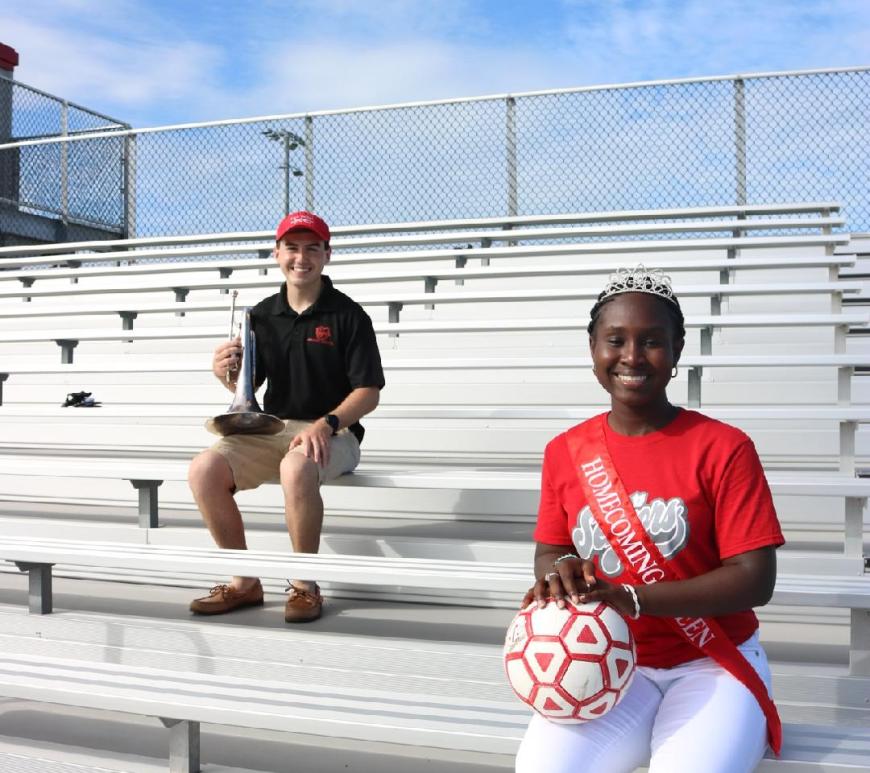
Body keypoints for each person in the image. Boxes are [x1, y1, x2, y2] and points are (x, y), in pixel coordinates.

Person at [515, 265, 784, 773]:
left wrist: (634, 598)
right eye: (616, 340)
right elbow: (550, 549)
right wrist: (561, 572)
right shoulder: (565, 451)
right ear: (593, 348)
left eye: (653, 341)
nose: (632, 357)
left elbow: (755, 579)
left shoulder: (724, 447)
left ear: (677, 349)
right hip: (609, 659)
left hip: (713, 661)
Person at [188, 211, 385, 623]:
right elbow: (245, 389)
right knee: (203, 469)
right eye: (291, 248)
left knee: (296, 467)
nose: (301, 258)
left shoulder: (349, 315)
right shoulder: (261, 315)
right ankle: (244, 581)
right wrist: (223, 372)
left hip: (336, 432)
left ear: (327, 254)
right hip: (273, 429)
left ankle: (305, 586)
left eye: (312, 248)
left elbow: (368, 392)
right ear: (277, 253)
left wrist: (326, 424)